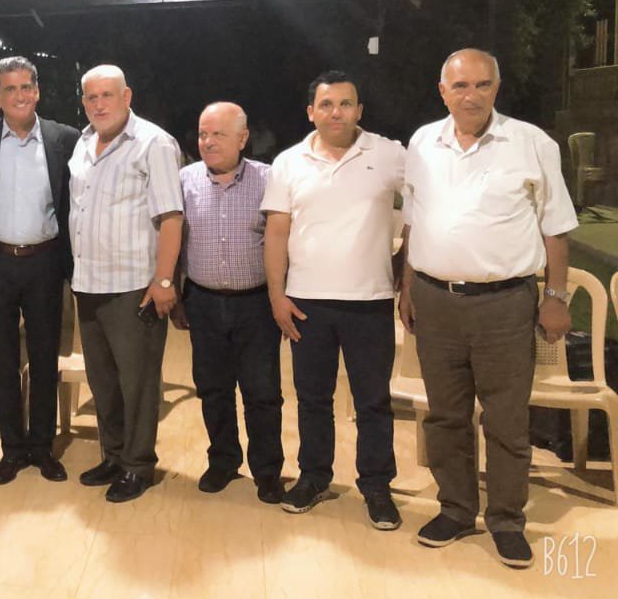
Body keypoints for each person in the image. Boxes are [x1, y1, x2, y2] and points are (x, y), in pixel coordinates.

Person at [399, 49, 577, 569]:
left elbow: (556, 228)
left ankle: (505, 520)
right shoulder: (422, 142)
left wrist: (556, 298)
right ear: (443, 91)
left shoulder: (531, 143)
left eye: (482, 85)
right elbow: (414, 220)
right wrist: (407, 287)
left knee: (506, 419)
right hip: (435, 302)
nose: (471, 95)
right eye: (460, 86)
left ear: (497, 89)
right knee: (446, 416)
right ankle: (456, 509)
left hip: (505, 305)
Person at [261, 70, 405, 530]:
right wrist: (276, 294)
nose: (336, 112)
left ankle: (377, 486)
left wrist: (408, 272)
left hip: (370, 300)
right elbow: (276, 232)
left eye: (345, 104)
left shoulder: (389, 155)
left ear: (359, 110)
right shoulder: (289, 162)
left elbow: (423, 208)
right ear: (311, 112)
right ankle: (314, 477)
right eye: (326, 104)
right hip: (307, 302)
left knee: (373, 402)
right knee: (312, 399)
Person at [0, 56, 80, 485]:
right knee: (2, 360)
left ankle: (42, 447)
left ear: (37, 91)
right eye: (9, 89)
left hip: (46, 262)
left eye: (26, 86)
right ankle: (12, 448)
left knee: (45, 358)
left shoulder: (64, 138)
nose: (19, 95)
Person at [68, 64, 183, 503]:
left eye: (107, 95)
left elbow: (171, 216)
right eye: (91, 97)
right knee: (104, 382)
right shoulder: (83, 143)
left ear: (127, 96)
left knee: (137, 383)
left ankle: (137, 465)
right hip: (89, 283)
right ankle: (113, 456)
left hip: (134, 286)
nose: (99, 104)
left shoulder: (153, 143)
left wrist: (164, 279)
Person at [172, 102, 284, 505]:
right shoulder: (184, 180)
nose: (208, 141)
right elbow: (175, 239)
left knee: (262, 392)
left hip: (256, 305)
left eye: (218, 134)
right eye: (203, 133)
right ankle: (222, 461)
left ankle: (267, 470)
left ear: (242, 138)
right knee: (212, 388)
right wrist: (176, 292)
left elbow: (281, 240)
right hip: (202, 301)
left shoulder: (269, 180)